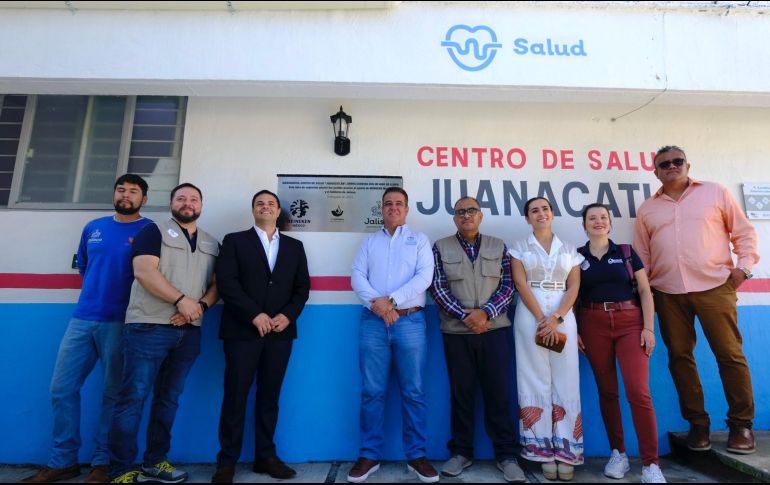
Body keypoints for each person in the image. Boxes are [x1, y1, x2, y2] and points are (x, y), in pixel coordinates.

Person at [22, 175, 152, 484]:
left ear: (144, 199)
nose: (126, 195)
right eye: (121, 189)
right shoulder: (93, 228)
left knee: (113, 394)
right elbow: (84, 266)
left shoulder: (148, 231)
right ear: (114, 193)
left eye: (134, 191)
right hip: (82, 319)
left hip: (121, 322)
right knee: (62, 389)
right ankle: (62, 461)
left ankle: (102, 463)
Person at [634, 146, 759, 455]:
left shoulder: (715, 193)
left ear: (687, 165)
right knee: (680, 357)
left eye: (677, 161)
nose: (671, 166)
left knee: (729, 355)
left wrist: (743, 267)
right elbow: (643, 255)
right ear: (656, 172)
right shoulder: (648, 209)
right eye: (665, 164)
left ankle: (741, 425)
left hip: (715, 286)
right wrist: (645, 291)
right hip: (668, 293)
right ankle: (698, 424)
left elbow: (743, 233)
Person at [109, 183, 219, 483]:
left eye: (194, 199)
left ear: (201, 205)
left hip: (189, 332)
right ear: (171, 203)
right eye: (181, 198)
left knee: (168, 398)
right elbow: (145, 272)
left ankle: (156, 462)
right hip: (148, 327)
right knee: (133, 398)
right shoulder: (152, 232)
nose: (187, 203)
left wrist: (200, 308)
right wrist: (181, 301)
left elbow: (216, 285)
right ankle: (120, 469)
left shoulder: (210, 242)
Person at [211, 190, 310, 483]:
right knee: (235, 396)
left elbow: (301, 288)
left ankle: (265, 457)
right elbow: (227, 283)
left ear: (278, 211)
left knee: (270, 397)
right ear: (253, 210)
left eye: (270, 204)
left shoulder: (295, 246)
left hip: (280, 333)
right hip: (242, 331)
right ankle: (226, 461)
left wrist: (287, 315)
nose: (265, 207)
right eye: (259, 204)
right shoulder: (234, 241)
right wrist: (254, 314)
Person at [429, 197, 525, 483]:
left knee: (499, 393)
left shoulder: (499, 246)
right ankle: (461, 452)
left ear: (480, 216)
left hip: (495, 332)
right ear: (455, 218)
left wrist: (486, 313)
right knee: (462, 395)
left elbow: (508, 286)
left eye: (471, 211)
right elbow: (437, 286)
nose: (466, 216)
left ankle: (506, 455)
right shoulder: (441, 247)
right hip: (456, 334)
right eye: (460, 212)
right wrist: (466, 316)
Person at [349, 187, 438, 483]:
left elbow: (425, 277)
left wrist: (393, 301)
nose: (393, 207)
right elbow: (357, 277)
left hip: (410, 322)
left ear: (407, 209)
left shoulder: (420, 241)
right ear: (381, 209)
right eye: (388, 204)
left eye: (399, 203)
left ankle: (417, 455)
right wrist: (379, 305)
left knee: (413, 391)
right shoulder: (369, 242)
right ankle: (369, 455)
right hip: (373, 323)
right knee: (371, 392)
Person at [576, 203, 666, 483]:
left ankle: (651, 465)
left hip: (630, 323)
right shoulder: (577, 257)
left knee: (638, 392)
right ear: (584, 225)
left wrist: (648, 328)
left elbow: (644, 291)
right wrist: (577, 329)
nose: (598, 221)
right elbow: (573, 296)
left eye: (603, 217)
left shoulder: (626, 252)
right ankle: (619, 454)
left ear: (610, 223)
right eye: (592, 218)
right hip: (593, 324)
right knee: (607, 392)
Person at [508, 197, 583, 481]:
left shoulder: (570, 249)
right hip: (530, 316)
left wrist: (557, 318)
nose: (541, 214)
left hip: (564, 317)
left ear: (552, 214)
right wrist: (542, 318)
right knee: (533, 377)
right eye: (534, 210)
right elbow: (520, 282)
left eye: (545, 209)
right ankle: (541, 451)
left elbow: (574, 284)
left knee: (566, 379)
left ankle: (567, 450)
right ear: (527, 218)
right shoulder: (519, 247)